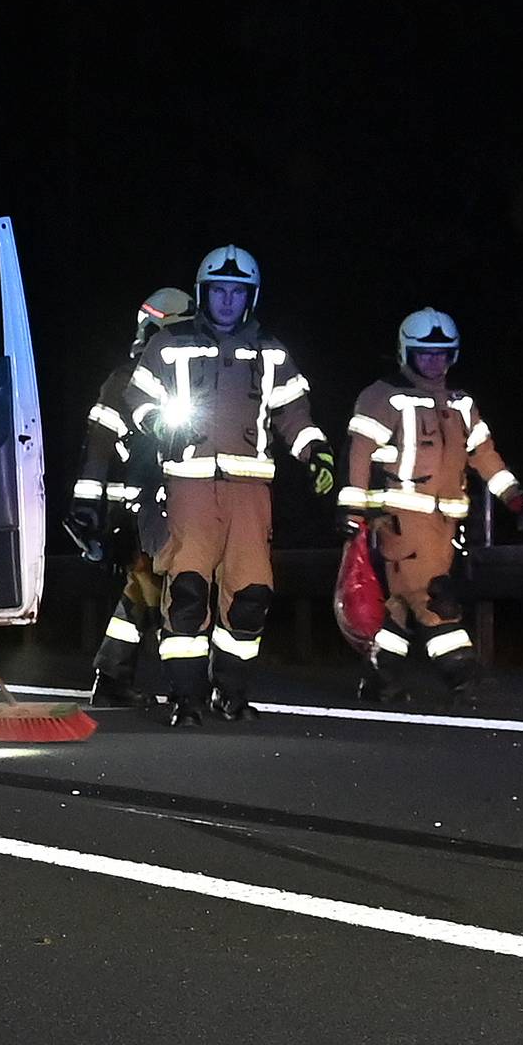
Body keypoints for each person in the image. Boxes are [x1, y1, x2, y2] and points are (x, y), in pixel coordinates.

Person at [127, 246, 333, 725]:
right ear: (204, 293)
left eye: (236, 292)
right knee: (188, 591)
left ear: (250, 298)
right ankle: (186, 697)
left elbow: (293, 414)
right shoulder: (169, 344)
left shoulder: (272, 351)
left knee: (250, 594)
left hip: (250, 489)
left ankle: (232, 693)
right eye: (218, 290)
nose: (226, 301)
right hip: (189, 486)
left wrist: (314, 450)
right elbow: (138, 400)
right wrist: (159, 424)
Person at [337, 309, 523, 705]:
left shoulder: (461, 404)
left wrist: (513, 497)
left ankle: (381, 677)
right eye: (425, 353)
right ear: (405, 353)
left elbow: (483, 455)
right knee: (433, 597)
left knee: (400, 606)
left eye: (442, 353)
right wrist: (352, 511)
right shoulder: (382, 396)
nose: (434, 360)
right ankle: (464, 674)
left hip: (445, 523)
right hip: (401, 520)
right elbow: (357, 455)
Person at [67, 287, 192, 705]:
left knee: (139, 592)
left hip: (181, 506)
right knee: (158, 593)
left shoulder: (192, 381)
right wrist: (87, 512)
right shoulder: (122, 383)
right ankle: (184, 684)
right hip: (136, 512)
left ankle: (112, 678)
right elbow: (97, 452)